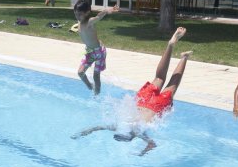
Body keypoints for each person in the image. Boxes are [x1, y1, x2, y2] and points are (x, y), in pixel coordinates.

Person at [72, 27, 193, 156]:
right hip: (142, 101)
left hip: (156, 107)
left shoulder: (138, 132)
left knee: (172, 86)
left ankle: (184, 58)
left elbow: (152, 144)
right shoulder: (118, 125)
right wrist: (83, 132)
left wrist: (141, 153)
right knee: (159, 78)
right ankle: (170, 45)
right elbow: (97, 127)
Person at [73, 0, 119, 95]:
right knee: (80, 72)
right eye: (76, 14)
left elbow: (99, 16)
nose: (77, 16)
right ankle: (90, 86)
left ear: (87, 13)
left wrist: (107, 10)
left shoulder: (90, 22)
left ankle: (96, 95)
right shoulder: (79, 21)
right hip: (89, 52)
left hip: (99, 52)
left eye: (80, 14)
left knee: (96, 76)